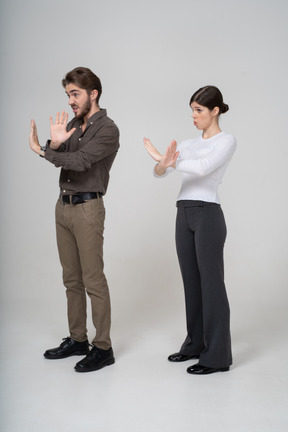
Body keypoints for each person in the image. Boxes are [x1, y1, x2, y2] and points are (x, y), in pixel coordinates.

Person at [29, 67, 120, 373]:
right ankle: (78, 339)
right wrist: (53, 145)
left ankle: (103, 348)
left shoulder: (107, 129)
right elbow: (62, 156)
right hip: (63, 207)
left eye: (75, 93)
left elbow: (79, 162)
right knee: (71, 279)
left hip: (87, 209)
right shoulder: (73, 124)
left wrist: (44, 152)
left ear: (93, 94)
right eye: (68, 94)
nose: (70, 100)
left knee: (93, 280)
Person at [144, 85, 236, 375]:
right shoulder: (186, 143)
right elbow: (161, 173)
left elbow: (203, 168)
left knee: (212, 285)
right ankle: (195, 344)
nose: (193, 116)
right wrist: (161, 162)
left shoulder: (226, 140)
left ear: (215, 111)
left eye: (199, 110)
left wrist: (170, 158)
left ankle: (217, 356)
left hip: (207, 214)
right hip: (183, 212)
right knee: (191, 283)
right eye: (192, 110)